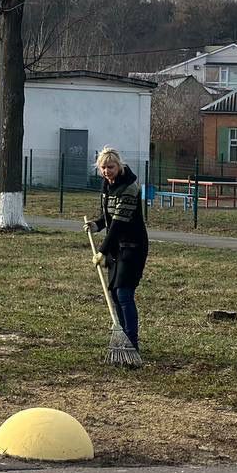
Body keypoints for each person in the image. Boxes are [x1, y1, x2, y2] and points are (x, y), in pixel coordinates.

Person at [83, 146, 148, 353]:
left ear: (119, 166)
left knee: (124, 293)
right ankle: (124, 338)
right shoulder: (107, 185)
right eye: (103, 167)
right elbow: (108, 218)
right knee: (113, 291)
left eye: (110, 167)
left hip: (133, 247)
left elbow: (119, 223)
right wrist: (96, 225)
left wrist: (101, 250)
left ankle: (132, 342)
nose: (106, 171)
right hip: (116, 247)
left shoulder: (130, 186)